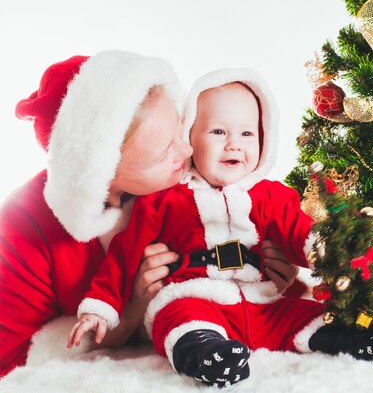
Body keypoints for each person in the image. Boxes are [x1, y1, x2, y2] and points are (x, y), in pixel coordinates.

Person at [68, 69, 373, 388]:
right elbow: (125, 254)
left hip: (260, 300)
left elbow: (297, 230)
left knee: (302, 314)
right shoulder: (166, 198)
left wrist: (330, 248)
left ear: (264, 139)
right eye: (218, 132)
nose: (233, 145)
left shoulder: (269, 195)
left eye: (247, 134)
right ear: (189, 139)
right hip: (194, 295)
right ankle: (205, 354)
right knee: (178, 319)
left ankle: (351, 337)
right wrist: (101, 309)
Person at [0, 52, 299, 379]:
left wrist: (272, 272)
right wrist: (130, 317)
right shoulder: (23, 229)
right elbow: (14, 360)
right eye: (163, 154)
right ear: (102, 172)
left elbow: (253, 216)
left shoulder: (191, 180)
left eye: (180, 131)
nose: (187, 152)